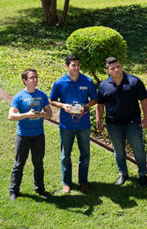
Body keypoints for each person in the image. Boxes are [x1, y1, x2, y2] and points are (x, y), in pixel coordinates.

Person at [96, 57, 147, 187]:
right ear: (108, 71)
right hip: (113, 124)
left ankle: (142, 174)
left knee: (139, 150)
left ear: (121, 66)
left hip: (133, 123)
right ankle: (123, 174)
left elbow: (144, 100)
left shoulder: (134, 81)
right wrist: (98, 120)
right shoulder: (103, 86)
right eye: (113, 68)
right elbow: (100, 105)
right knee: (119, 151)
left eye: (118, 66)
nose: (116, 70)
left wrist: (146, 118)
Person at [50, 54, 98, 194]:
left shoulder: (87, 81)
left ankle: (83, 181)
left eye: (78, 65)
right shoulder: (59, 83)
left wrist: (86, 106)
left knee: (85, 154)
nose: (76, 67)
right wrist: (63, 105)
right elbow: (51, 100)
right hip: (66, 125)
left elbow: (94, 99)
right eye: (73, 65)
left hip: (83, 125)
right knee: (65, 155)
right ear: (67, 66)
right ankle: (67, 182)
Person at [8, 68, 52, 200]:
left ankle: (40, 189)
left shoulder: (42, 95)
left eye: (36, 77)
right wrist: (27, 114)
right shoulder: (19, 97)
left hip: (39, 135)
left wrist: (43, 114)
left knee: (38, 163)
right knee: (19, 164)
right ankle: (14, 190)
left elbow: (50, 114)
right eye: (32, 78)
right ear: (25, 81)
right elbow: (11, 116)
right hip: (23, 136)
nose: (35, 80)